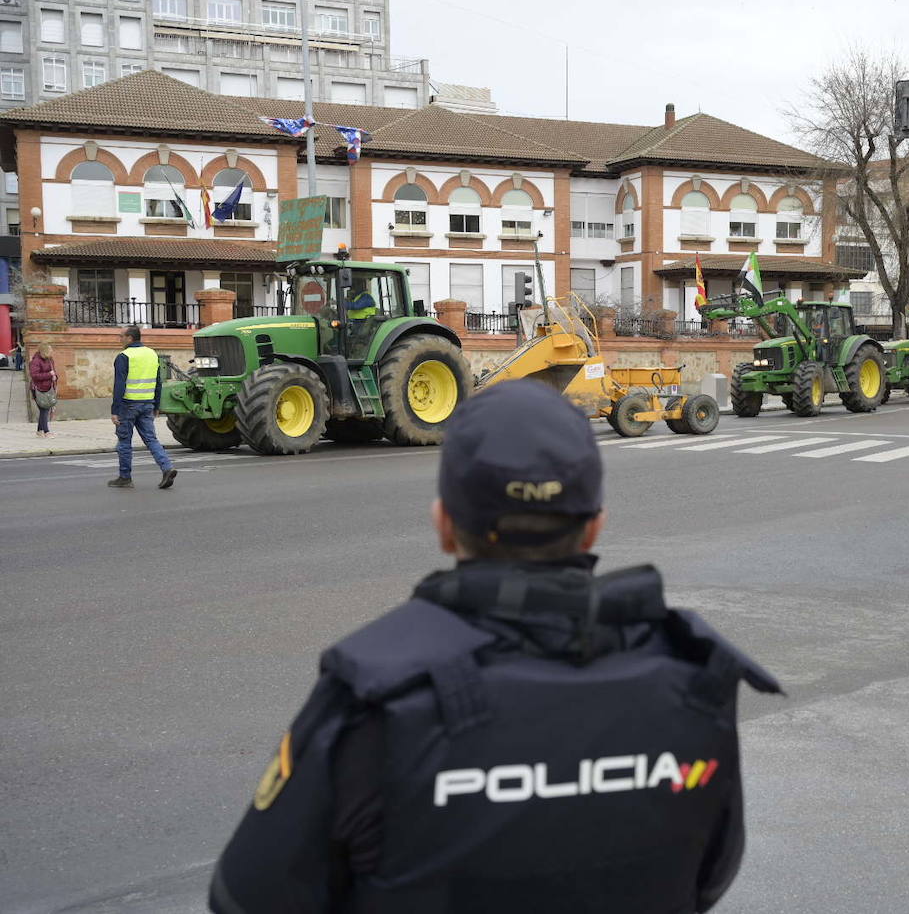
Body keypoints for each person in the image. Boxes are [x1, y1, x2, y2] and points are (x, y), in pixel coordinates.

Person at [209, 380, 779, 914]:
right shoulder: (693, 675)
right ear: (595, 526)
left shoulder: (375, 698)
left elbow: (250, 897)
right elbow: (708, 877)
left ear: (444, 524)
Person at [109, 326, 176, 490]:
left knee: (124, 441)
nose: (119, 339)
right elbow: (158, 382)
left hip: (128, 405)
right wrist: (157, 404)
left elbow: (119, 385)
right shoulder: (152, 354)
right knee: (151, 439)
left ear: (130, 338)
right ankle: (167, 467)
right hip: (147, 404)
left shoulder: (124, 356)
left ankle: (125, 478)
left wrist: (115, 410)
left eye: (121, 336)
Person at [28, 342, 57, 438]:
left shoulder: (50, 360)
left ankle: (39, 431)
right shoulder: (36, 361)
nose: (52, 351)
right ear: (45, 351)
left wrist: (55, 376)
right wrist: (49, 375)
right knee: (44, 409)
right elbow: (34, 376)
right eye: (50, 349)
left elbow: (54, 372)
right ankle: (46, 432)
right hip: (38, 389)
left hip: (48, 388)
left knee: (44, 409)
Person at [345, 279, 377, 356]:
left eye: (352, 288)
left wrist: (342, 303)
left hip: (363, 323)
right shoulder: (357, 297)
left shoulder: (366, 296)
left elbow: (356, 306)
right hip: (356, 322)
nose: (350, 291)